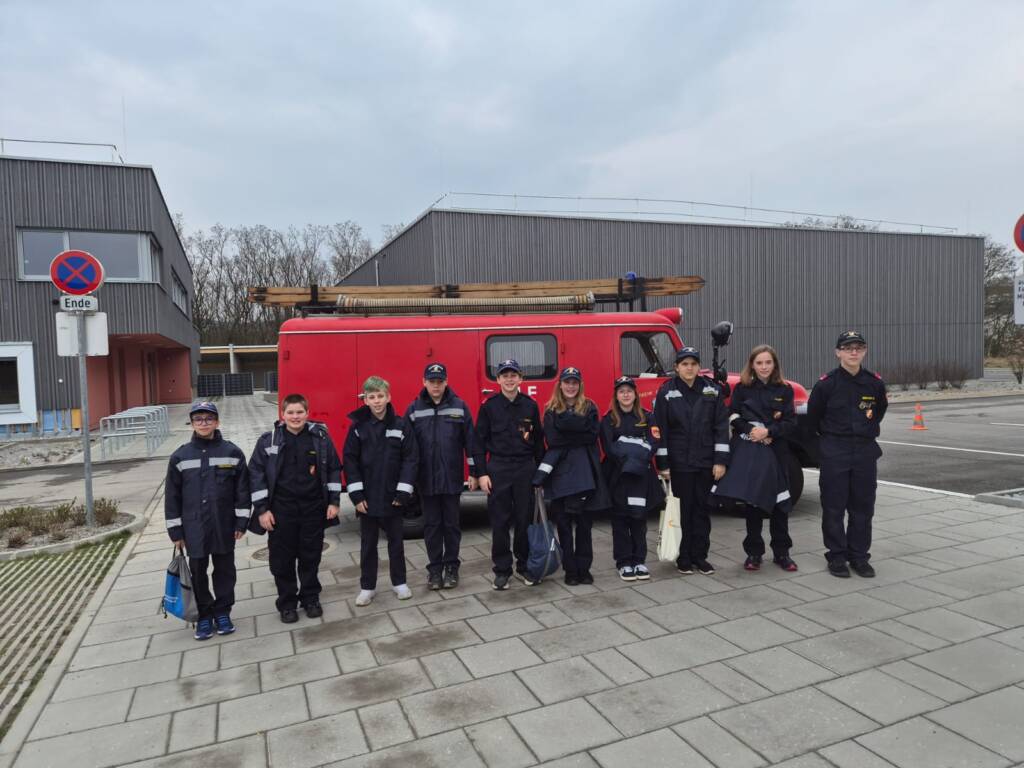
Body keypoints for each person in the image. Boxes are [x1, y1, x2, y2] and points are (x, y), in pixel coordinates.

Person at [248, 394, 342, 623]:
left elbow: (333, 469)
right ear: (282, 414)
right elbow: (256, 474)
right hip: (281, 511)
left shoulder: (320, 438)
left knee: (311, 557)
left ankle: (311, 598)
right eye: (290, 412)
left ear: (307, 413)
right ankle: (287, 603)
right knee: (282, 560)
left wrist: (333, 502)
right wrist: (262, 510)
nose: (295, 417)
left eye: (300, 412)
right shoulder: (268, 441)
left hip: (313, 509)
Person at [165, 401, 250, 640]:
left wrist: (241, 522)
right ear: (192, 423)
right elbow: (172, 496)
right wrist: (176, 531)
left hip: (224, 524)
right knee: (197, 571)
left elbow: (242, 491)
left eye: (209, 418)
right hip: (194, 527)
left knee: (225, 571)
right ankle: (204, 614)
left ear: (217, 422)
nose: (204, 423)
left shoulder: (232, 452)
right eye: (198, 419)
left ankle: (222, 612)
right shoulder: (180, 456)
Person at [807, 331, 888, 578]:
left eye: (858, 348)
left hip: (864, 452)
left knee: (863, 508)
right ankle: (837, 556)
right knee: (833, 508)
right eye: (848, 348)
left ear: (864, 351)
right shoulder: (826, 384)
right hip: (835, 452)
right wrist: (827, 450)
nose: (854, 352)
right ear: (838, 352)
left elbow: (878, 412)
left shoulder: (874, 383)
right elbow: (813, 420)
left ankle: (859, 557)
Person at [710, 345, 799, 572]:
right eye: (759, 363)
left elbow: (790, 422)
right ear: (752, 365)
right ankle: (754, 553)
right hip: (751, 450)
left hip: (776, 451)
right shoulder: (743, 389)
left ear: (774, 364)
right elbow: (733, 415)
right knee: (753, 503)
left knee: (780, 504)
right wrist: (752, 431)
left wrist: (769, 432)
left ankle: (782, 553)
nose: (764, 367)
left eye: (768, 362)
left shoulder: (785, 390)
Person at [405, 363, 483, 591]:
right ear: (424, 382)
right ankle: (434, 570)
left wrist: (474, 473)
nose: (436, 386)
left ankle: (451, 568)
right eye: (432, 381)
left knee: (451, 526)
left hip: (451, 478)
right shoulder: (413, 409)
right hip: (426, 480)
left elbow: (470, 442)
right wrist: (408, 479)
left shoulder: (459, 406)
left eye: (440, 381)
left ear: (446, 382)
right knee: (431, 527)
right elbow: (407, 447)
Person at [653, 346, 730, 575]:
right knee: (683, 511)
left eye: (693, 364)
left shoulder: (712, 391)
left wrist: (720, 461)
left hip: (705, 462)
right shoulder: (666, 392)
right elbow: (661, 430)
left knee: (702, 510)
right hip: (680, 464)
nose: (689, 368)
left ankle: (700, 556)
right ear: (676, 367)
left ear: (699, 367)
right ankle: (684, 557)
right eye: (684, 364)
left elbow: (721, 428)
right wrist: (663, 465)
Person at [344, 376, 419, 606]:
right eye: (372, 397)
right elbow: (350, 461)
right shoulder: (358, 428)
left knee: (396, 543)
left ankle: (400, 583)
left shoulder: (401, 425)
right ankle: (367, 587)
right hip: (367, 499)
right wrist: (356, 496)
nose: (377, 401)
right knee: (368, 545)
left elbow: (411, 459)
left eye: (380, 396)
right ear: (365, 400)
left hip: (393, 497)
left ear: (389, 397)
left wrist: (403, 492)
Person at [534, 367, 609, 586]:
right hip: (560, 475)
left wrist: (566, 430)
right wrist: (578, 431)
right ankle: (570, 570)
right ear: (560, 385)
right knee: (564, 525)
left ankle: (584, 569)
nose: (570, 386)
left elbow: (592, 436)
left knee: (585, 525)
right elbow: (552, 440)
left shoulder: (590, 406)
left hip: (585, 473)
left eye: (574, 382)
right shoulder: (550, 408)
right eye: (567, 382)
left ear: (580, 385)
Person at [475, 359, 545, 590]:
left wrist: (541, 473)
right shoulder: (489, 407)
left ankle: (524, 566)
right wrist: (481, 474)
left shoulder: (530, 406)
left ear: (521, 378)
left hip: (525, 468)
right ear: (498, 380)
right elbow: (478, 443)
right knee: (500, 521)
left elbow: (538, 442)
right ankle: (502, 569)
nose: (509, 379)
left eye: (513, 375)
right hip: (499, 468)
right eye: (504, 375)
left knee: (524, 520)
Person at [599, 376, 665, 581]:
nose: (626, 394)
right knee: (620, 520)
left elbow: (653, 443)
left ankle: (639, 560)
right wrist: (635, 449)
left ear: (635, 394)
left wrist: (629, 450)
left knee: (639, 519)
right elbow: (610, 448)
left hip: (641, 476)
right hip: (617, 475)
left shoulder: (648, 417)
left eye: (629, 391)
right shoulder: (608, 420)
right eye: (621, 391)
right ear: (616, 395)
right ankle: (624, 562)